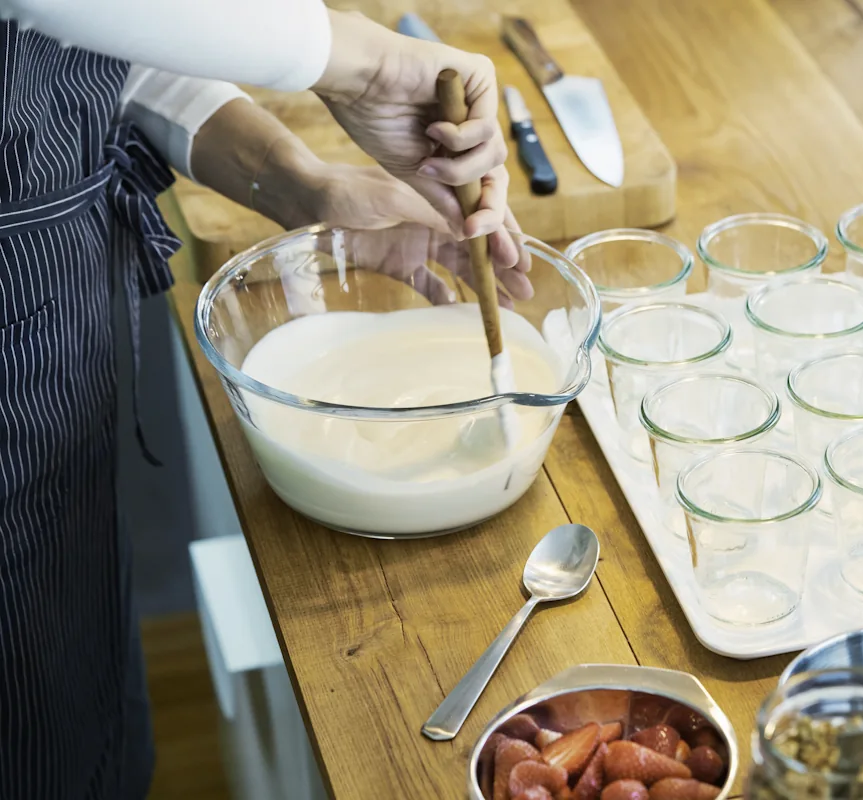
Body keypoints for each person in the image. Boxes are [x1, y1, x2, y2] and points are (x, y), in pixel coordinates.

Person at [0, 2, 528, 797]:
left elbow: (82, 35)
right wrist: (365, 65)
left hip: (49, 301)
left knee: (71, 691)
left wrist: (296, 182)